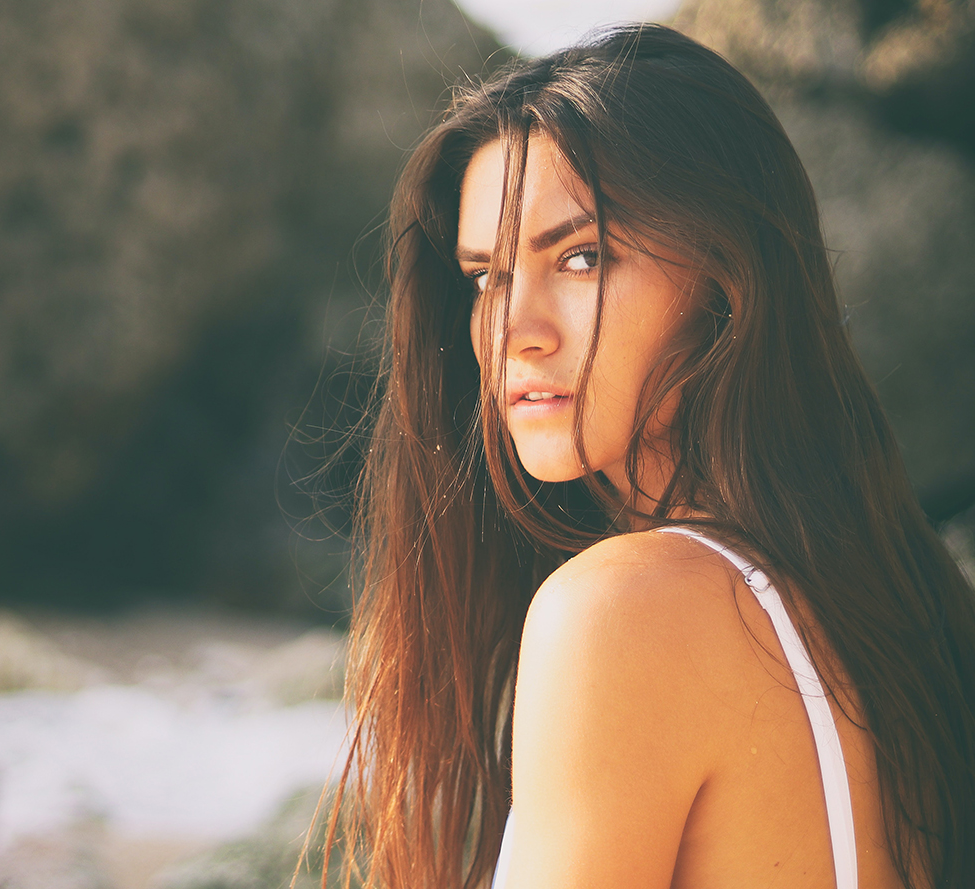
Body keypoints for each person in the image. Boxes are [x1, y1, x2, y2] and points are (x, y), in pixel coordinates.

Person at [324, 23, 975, 888]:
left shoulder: (623, 610)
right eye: (486, 276)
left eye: (583, 257)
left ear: (724, 276)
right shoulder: (899, 597)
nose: (515, 330)